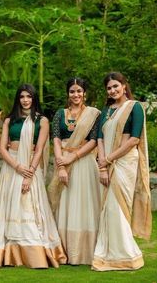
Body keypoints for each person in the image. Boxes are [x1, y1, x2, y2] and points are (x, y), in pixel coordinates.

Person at [0, 83, 67, 268]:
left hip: (31, 167)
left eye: (29, 96)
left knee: (29, 205)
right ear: (18, 99)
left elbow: (39, 150)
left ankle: (34, 252)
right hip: (11, 167)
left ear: (34, 99)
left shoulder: (42, 121)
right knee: (11, 205)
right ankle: (10, 252)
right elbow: (2, 147)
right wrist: (17, 166)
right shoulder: (9, 121)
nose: (25, 100)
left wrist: (29, 173)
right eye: (22, 97)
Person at [92, 72, 152, 271]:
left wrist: (109, 159)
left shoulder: (135, 107)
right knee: (108, 208)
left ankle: (126, 254)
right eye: (109, 88)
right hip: (106, 162)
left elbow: (134, 139)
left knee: (117, 207)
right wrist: (102, 163)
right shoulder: (106, 110)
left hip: (124, 162)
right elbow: (100, 138)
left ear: (124, 86)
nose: (113, 90)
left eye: (116, 86)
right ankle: (108, 253)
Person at [48, 77, 101, 265]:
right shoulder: (59, 114)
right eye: (72, 91)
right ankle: (64, 251)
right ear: (67, 94)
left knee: (84, 204)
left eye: (79, 91)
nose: (76, 94)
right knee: (64, 204)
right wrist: (61, 165)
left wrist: (73, 157)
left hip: (85, 164)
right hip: (63, 162)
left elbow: (94, 141)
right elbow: (55, 139)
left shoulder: (94, 114)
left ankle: (85, 253)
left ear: (84, 93)